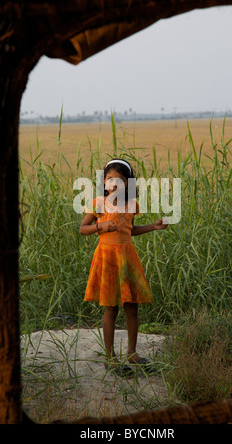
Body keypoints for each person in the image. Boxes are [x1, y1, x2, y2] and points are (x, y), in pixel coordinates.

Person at [79, 158, 168, 377]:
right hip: (108, 258)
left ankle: (132, 353)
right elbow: (83, 228)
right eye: (110, 179)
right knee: (111, 307)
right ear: (104, 181)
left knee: (132, 306)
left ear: (128, 184)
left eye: (119, 180)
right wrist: (101, 226)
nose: (114, 184)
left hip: (127, 258)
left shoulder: (131, 205)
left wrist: (153, 227)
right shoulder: (99, 203)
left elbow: (131, 230)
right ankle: (110, 357)